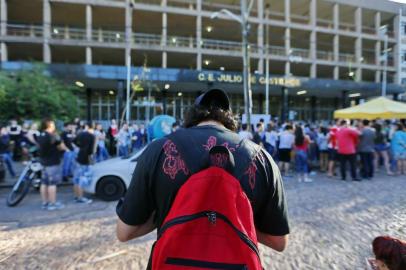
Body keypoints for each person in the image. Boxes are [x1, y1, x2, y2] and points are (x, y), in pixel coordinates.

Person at [116, 88, 290, 265]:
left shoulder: (158, 150)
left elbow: (124, 232)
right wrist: (236, 220)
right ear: (229, 118)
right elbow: (278, 241)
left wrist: (165, 214)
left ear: (191, 116)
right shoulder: (261, 158)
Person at [37, 118, 66, 210]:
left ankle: (45, 202)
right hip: (52, 162)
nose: (54, 126)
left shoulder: (40, 135)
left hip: (43, 161)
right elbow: (62, 147)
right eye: (53, 124)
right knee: (52, 184)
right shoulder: (52, 136)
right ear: (50, 125)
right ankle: (52, 203)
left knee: (44, 183)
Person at [72, 123, 95, 204]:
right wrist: (91, 162)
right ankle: (80, 198)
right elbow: (91, 151)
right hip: (85, 159)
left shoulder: (81, 134)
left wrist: (80, 146)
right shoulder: (92, 136)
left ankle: (76, 197)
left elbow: (73, 141)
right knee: (82, 179)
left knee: (76, 179)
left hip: (79, 157)